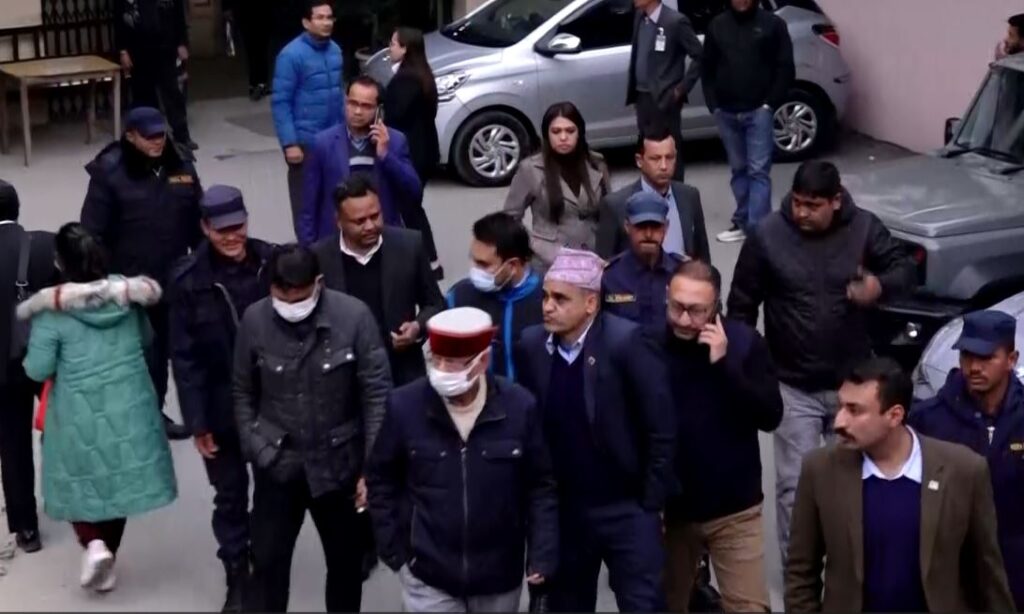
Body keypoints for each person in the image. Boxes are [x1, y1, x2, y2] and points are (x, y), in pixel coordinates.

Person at [727, 160, 916, 565]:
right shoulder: (767, 235)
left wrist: (879, 286)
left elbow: (906, 269)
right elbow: (741, 305)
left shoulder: (864, 228)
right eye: (797, 202)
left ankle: (848, 570)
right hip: (792, 385)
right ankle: (799, 574)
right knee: (795, 487)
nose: (802, 212)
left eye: (812, 205)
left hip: (854, 387)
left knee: (850, 483)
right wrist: (749, 366)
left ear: (836, 201)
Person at [17, 223, 177, 593]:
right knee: (117, 480)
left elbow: (38, 368)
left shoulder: (53, 312)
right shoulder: (127, 296)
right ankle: (109, 555)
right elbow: (146, 338)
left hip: (76, 410)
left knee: (77, 481)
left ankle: (94, 544)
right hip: (130, 403)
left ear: (61, 263)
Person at [785, 357, 1014, 612]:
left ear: (894, 415)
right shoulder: (820, 470)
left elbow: (988, 575)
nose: (839, 421)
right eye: (841, 407)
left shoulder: (964, 470)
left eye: (854, 410)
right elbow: (800, 573)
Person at [367, 307, 558, 613]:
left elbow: (540, 487)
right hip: (428, 578)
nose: (442, 370)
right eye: (436, 360)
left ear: (482, 361)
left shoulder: (519, 408)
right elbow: (381, 479)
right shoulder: (404, 406)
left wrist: (541, 554)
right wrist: (395, 552)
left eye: (453, 362)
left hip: (499, 579)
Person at [233, 244, 391, 612]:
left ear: (318, 283)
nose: (291, 304)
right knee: (267, 566)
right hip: (278, 464)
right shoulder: (255, 320)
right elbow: (242, 389)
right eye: (282, 295)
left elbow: (377, 394)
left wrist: (372, 468)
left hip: (339, 467)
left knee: (346, 567)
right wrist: (255, 445)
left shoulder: (354, 317)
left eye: (300, 296)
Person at [515, 247, 674, 612]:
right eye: (545, 297)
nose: (547, 306)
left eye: (560, 299)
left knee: (643, 604)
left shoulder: (627, 343)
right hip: (567, 511)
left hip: (626, 506)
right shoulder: (532, 346)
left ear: (590, 304)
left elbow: (660, 427)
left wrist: (651, 503)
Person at [168, 186, 275, 612]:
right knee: (230, 495)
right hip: (219, 406)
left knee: (272, 493)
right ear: (205, 228)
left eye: (238, 227)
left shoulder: (271, 261)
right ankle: (236, 573)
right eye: (222, 230)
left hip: (272, 405)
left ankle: (265, 566)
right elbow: (184, 358)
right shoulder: (188, 280)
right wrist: (197, 422)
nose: (232, 237)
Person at [657, 260, 781, 612]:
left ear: (716, 307)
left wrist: (726, 367)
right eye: (677, 307)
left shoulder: (744, 343)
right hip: (671, 511)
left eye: (697, 311)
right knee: (665, 604)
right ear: (666, 296)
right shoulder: (648, 344)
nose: (684, 320)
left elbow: (770, 416)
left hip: (734, 509)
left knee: (749, 608)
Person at [80, 106, 202, 441]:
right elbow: (92, 233)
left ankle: (153, 413)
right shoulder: (110, 173)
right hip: (128, 286)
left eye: (160, 135)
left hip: (172, 281)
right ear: (130, 136)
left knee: (166, 353)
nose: (157, 141)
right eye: (149, 137)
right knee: (136, 356)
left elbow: (198, 222)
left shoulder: (181, 166)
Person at [909, 310, 1024, 609]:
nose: (974, 367)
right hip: (951, 571)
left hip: (1015, 570)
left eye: (986, 358)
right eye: (967, 356)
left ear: (1011, 359)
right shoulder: (928, 419)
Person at [312, 174, 443, 386]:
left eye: (375, 216)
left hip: (401, 372)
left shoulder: (409, 246)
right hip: (345, 377)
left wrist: (417, 328)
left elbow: (435, 304)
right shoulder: (320, 257)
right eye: (359, 221)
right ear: (339, 222)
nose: (370, 226)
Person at [702, 0, 794, 243]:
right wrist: (714, 105)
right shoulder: (717, 26)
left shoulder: (773, 24)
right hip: (726, 112)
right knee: (738, 170)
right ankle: (743, 221)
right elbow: (707, 67)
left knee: (758, 171)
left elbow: (785, 67)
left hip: (758, 112)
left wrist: (769, 104)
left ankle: (758, 230)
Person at [300, 76, 422, 246]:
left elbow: (414, 191)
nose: (357, 111)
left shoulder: (395, 141)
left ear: (379, 110)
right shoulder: (323, 143)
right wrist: (308, 249)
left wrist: (386, 156)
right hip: (336, 241)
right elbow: (308, 206)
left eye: (366, 106)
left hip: (381, 239)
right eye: (353, 103)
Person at [0, 180, 56, 554]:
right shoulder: (45, 245)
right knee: (63, 429)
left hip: (4, 370)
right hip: (47, 360)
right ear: (17, 210)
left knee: (13, 445)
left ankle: (26, 528)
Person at [503, 102, 610, 272]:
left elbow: (609, 211)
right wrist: (534, 245)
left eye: (570, 131)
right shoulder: (530, 169)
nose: (563, 137)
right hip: (549, 262)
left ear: (579, 132)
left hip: (592, 259)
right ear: (546, 134)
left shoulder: (596, 163)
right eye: (556, 131)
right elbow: (510, 218)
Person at [272, 0, 344, 235]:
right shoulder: (291, 55)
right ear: (306, 22)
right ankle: (308, 253)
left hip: (334, 138)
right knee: (306, 206)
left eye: (329, 17)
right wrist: (289, 143)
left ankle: (334, 249)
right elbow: (281, 101)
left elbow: (339, 94)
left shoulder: (335, 51)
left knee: (336, 200)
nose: (326, 22)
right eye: (320, 17)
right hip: (305, 142)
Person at [446, 212, 543, 382]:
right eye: (474, 260)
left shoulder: (546, 299)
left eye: (483, 264)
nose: (475, 270)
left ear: (512, 265)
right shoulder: (460, 297)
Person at [595, 130, 709, 264]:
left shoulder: (689, 196)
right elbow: (604, 263)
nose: (664, 166)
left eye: (669, 157)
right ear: (639, 161)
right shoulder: (615, 205)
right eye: (655, 158)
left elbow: (703, 256)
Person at [384, 27, 442, 278]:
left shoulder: (405, 80)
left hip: (411, 155)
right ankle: (428, 260)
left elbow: (395, 115)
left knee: (410, 209)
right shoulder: (422, 74)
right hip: (425, 151)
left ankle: (430, 261)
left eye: (393, 43)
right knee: (411, 207)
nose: (390, 48)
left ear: (405, 48)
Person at [626, 0, 702, 183]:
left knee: (667, 150)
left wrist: (680, 89)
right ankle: (652, 192)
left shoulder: (675, 21)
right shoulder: (640, 18)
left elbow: (700, 56)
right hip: (642, 96)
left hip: (664, 98)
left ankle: (675, 193)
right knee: (647, 150)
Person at [114, 0, 196, 151]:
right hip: (138, 49)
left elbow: (178, 15)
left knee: (172, 92)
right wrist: (123, 51)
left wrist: (182, 43)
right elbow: (118, 20)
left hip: (165, 46)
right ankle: (152, 137)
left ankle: (182, 136)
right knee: (145, 96)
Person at [601, 192, 686, 327]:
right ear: (627, 227)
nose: (648, 234)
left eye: (655, 226)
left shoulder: (682, 273)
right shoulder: (608, 276)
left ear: (666, 228)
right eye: (641, 226)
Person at [225, 0, 273, 100]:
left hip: (250, 15)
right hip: (255, 15)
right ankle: (260, 83)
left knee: (254, 52)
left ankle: (255, 83)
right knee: (259, 51)